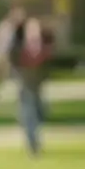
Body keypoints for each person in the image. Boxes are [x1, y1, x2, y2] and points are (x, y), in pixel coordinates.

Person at [14, 17, 52, 156]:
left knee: (40, 113)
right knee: (30, 115)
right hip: (25, 86)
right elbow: (14, 64)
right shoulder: (20, 48)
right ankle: (33, 146)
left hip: (37, 87)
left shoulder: (43, 48)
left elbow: (46, 67)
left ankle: (31, 134)